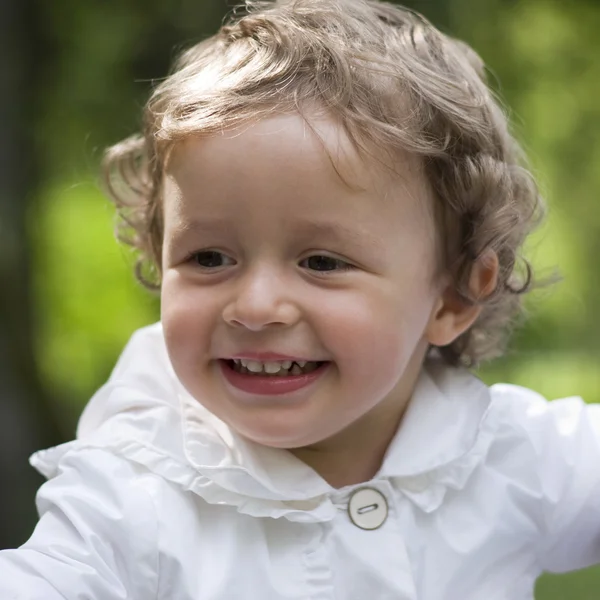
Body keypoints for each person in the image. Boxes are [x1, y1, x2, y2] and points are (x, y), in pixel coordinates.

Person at [2, 0, 599, 597]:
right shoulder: (131, 495)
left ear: (453, 297)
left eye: (321, 262)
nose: (257, 306)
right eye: (209, 258)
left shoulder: (507, 458)